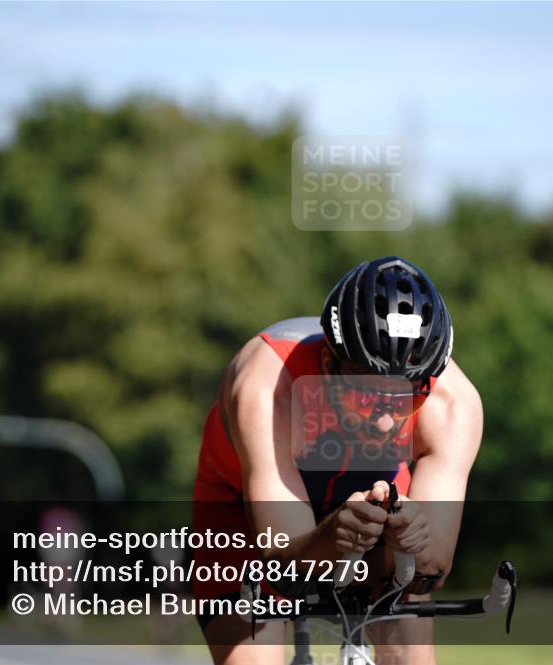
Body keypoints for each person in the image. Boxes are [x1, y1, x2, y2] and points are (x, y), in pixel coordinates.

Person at [193, 256, 483, 665]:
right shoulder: (267, 386)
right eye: (366, 395)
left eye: (405, 399)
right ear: (328, 367)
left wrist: (413, 542)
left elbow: (432, 569)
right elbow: (280, 558)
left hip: (372, 491)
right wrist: (332, 537)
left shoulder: (452, 404)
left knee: (409, 639)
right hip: (240, 503)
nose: (385, 422)